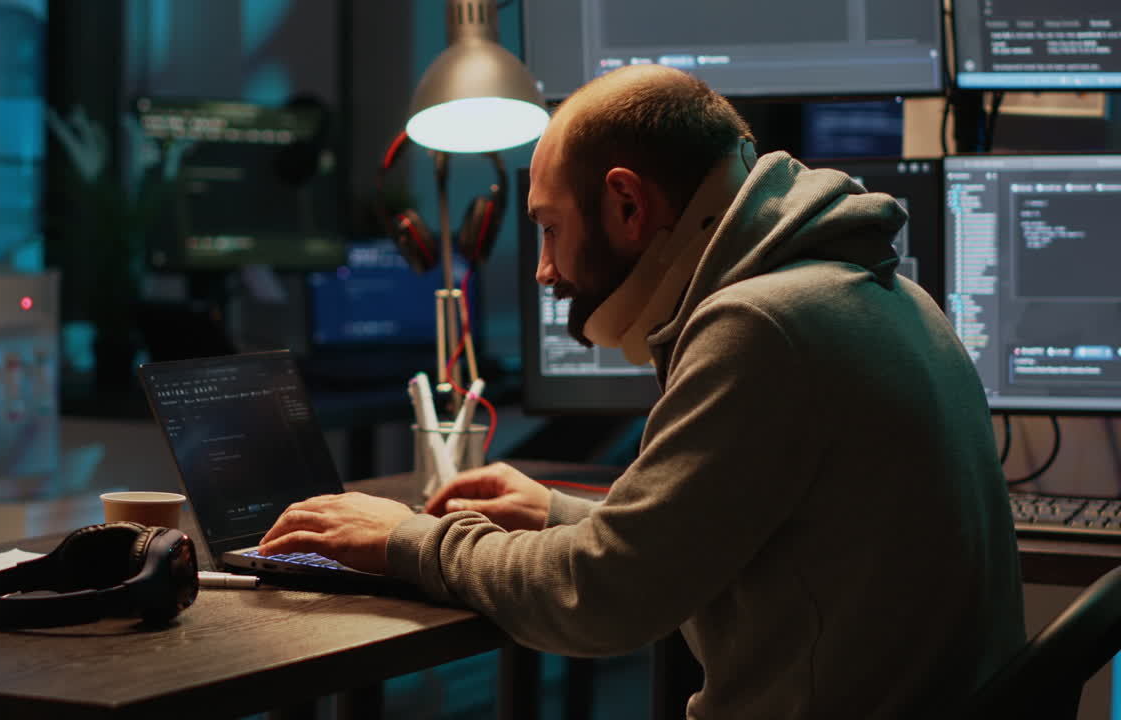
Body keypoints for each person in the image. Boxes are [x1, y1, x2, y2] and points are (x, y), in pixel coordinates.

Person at [258, 65, 1025, 719]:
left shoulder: (762, 325)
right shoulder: (873, 291)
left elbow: (603, 598)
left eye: (551, 229)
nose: (543, 271)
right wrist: (562, 515)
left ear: (627, 205)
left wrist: (406, 540)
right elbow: (737, 537)